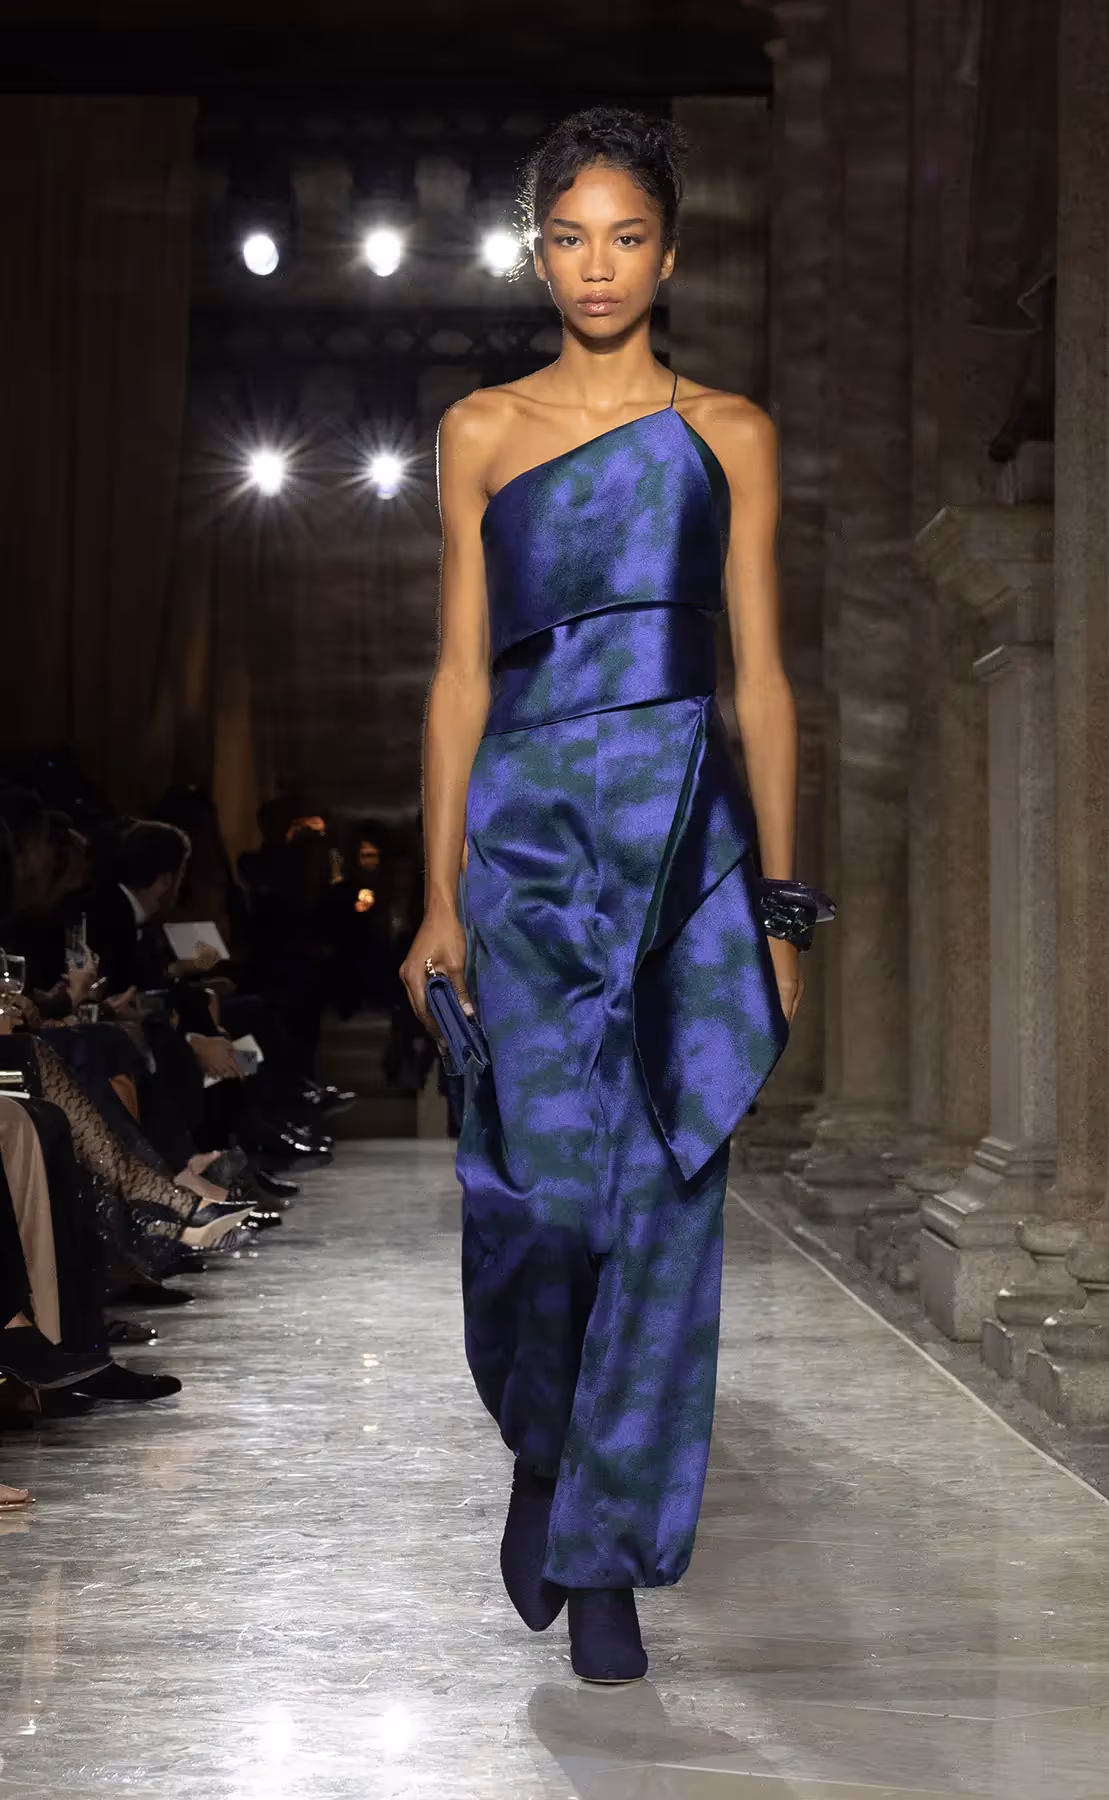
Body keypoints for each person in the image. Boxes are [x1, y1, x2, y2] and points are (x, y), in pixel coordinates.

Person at [401, 107, 803, 1683]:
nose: (598, 265)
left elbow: (762, 682)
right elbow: (456, 676)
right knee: (543, 1200)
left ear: (669, 254)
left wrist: (781, 909)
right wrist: (437, 895)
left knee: (666, 1203)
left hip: (686, 854)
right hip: (529, 851)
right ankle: (546, 1452)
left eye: (627, 236)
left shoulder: (731, 433)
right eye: (570, 236)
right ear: (536, 252)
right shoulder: (480, 431)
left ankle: (608, 1558)